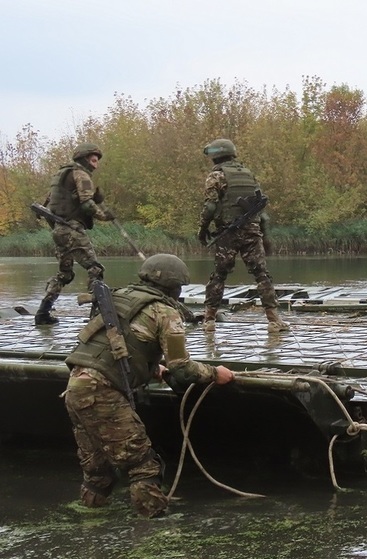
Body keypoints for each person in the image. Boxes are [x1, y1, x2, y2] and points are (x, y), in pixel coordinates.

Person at [63, 254, 236, 518]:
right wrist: (214, 373)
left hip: (76, 388)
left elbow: (113, 345)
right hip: (103, 393)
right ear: (176, 287)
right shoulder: (165, 312)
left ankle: (88, 525)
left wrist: (151, 367)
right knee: (144, 467)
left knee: (97, 472)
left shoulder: (119, 298)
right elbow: (182, 366)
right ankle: (152, 527)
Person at [198, 138, 289, 334]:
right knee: (262, 275)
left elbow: (210, 206)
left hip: (227, 232)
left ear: (216, 155)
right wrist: (265, 236)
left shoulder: (216, 176)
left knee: (219, 276)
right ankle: (274, 321)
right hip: (252, 231)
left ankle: (209, 321)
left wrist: (202, 229)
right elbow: (261, 209)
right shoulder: (248, 175)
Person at [34, 143, 115, 326]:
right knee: (95, 269)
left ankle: (43, 313)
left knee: (65, 274)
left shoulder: (60, 176)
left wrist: (95, 198)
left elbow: (59, 200)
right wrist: (104, 215)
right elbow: (86, 204)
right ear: (84, 159)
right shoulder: (82, 175)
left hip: (59, 230)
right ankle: (98, 315)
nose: (96, 165)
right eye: (94, 160)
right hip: (71, 230)